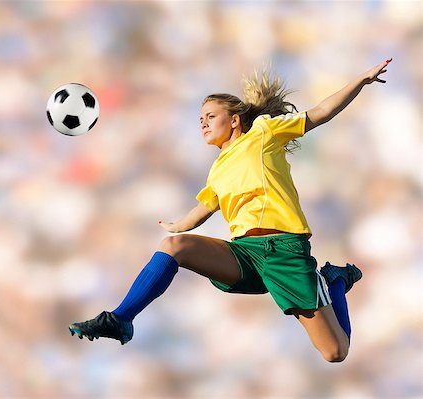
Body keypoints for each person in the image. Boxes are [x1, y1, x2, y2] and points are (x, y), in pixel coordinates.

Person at [69, 59, 392, 362]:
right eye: (200, 119)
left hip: (284, 252)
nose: (203, 123)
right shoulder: (217, 170)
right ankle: (120, 319)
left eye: (210, 115)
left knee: (335, 352)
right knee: (173, 247)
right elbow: (202, 210)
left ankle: (334, 281)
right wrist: (175, 225)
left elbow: (321, 111)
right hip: (246, 254)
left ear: (234, 120)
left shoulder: (263, 134)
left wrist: (361, 81)